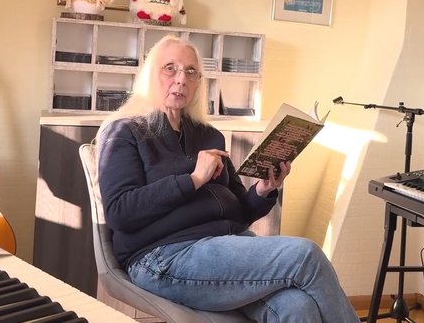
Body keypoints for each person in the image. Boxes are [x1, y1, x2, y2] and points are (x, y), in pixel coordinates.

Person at [95, 35, 359, 323]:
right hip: (162, 256)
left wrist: (263, 190)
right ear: (150, 75)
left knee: (297, 306)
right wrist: (194, 179)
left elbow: (240, 212)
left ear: (198, 82)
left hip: (223, 246)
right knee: (305, 255)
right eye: (170, 68)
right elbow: (120, 212)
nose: (181, 79)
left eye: (191, 72)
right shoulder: (125, 131)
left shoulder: (208, 135)